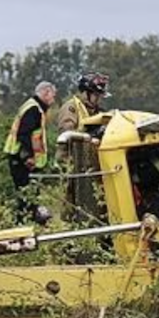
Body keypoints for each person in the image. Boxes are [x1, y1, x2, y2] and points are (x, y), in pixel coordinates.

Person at [57, 72, 110, 223]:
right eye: (96, 95)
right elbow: (66, 132)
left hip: (90, 163)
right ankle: (69, 233)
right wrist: (89, 134)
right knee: (71, 201)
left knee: (94, 201)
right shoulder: (71, 108)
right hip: (71, 163)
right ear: (86, 93)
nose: (99, 99)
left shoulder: (97, 111)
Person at [3, 81, 56, 221]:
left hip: (21, 159)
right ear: (45, 93)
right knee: (26, 195)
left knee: (30, 195)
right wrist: (28, 156)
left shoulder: (34, 107)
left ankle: (28, 221)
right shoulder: (33, 109)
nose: (53, 99)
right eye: (52, 95)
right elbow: (23, 134)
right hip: (21, 160)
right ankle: (22, 224)